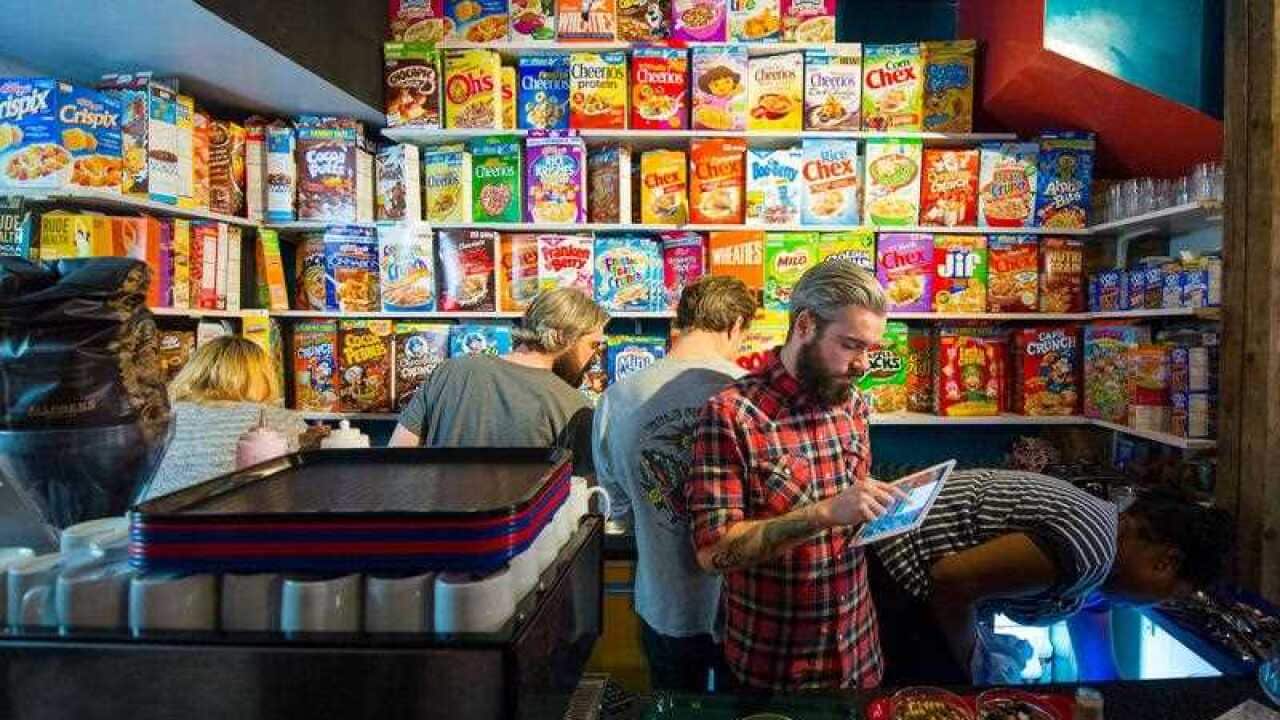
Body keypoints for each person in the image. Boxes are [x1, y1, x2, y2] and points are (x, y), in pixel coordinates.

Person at [685, 259, 906, 692]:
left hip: (859, 655)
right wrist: (823, 514)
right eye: (850, 345)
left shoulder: (853, 403)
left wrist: (883, 510)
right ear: (805, 325)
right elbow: (712, 554)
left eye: (869, 349)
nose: (862, 364)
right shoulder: (732, 414)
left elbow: (852, 517)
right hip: (773, 667)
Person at [870, 469, 1235, 684]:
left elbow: (1089, 613)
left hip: (898, 556)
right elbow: (950, 580)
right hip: (897, 570)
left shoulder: (1104, 534)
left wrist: (1104, 689)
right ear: (1165, 563)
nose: (1154, 602)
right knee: (938, 694)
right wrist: (974, 664)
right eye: (1168, 594)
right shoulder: (1090, 549)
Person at [593, 276, 757, 692]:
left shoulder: (618, 397)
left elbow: (620, 508)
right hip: (744, 605)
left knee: (671, 703)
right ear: (735, 326)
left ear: (680, 321)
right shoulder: (752, 394)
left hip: (664, 600)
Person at [389, 288, 608, 476]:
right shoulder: (576, 409)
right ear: (562, 336)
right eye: (593, 345)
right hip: (518, 526)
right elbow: (584, 499)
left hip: (435, 522)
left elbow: (397, 459)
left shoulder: (451, 371)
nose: (596, 357)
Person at [144, 336, 325, 499]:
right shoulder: (283, 420)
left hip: (157, 528)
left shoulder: (159, 418)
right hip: (250, 527)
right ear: (265, 378)